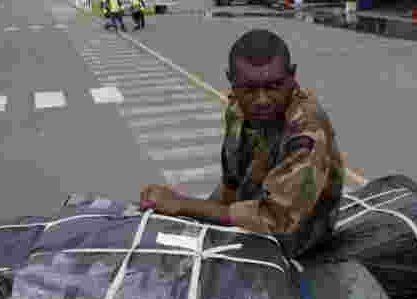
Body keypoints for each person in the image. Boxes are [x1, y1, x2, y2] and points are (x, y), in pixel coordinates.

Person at [140, 29, 344, 257]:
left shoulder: (307, 129)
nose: (262, 100)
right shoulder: (237, 109)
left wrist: (183, 204)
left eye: (274, 86)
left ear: (292, 76)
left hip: (296, 232)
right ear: (232, 81)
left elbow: (274, 220)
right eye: (249, 89)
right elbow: (231, 181)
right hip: (254, 204)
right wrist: (195, 221)